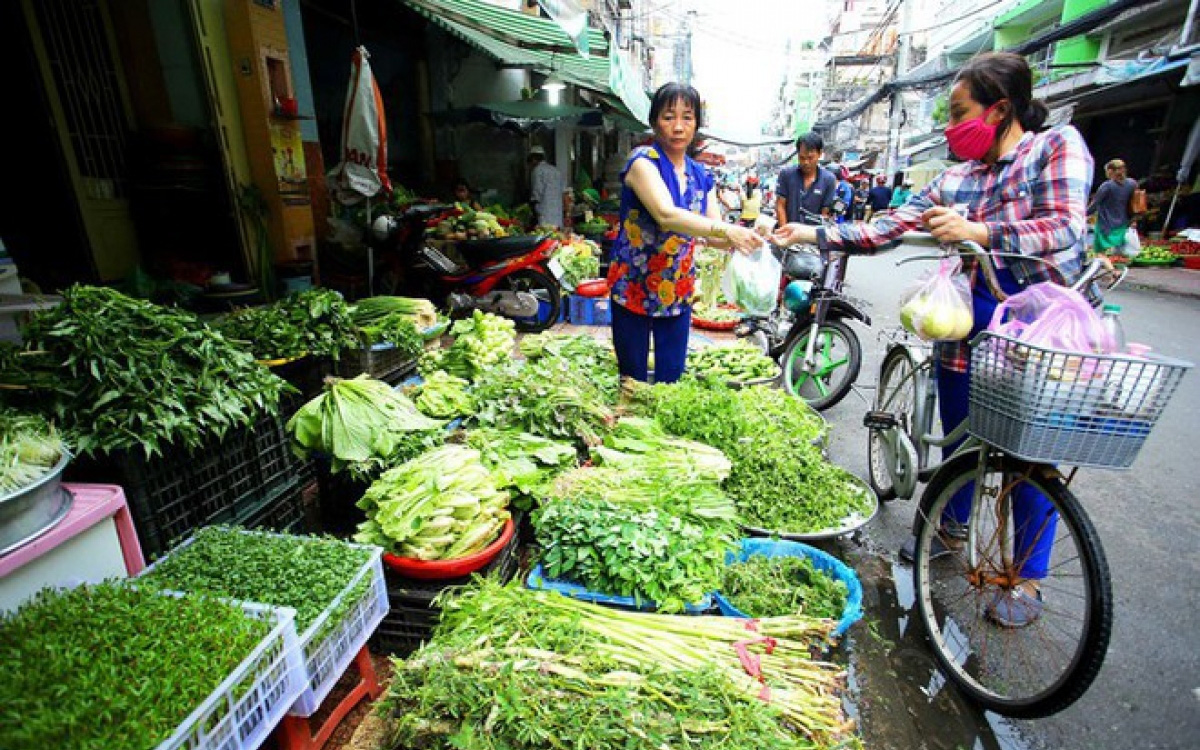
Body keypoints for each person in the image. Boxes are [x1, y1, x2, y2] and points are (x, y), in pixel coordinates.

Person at [772, 51, 1095, 629]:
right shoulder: (956, 178)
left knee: (1029, 461)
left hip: (1039, 331)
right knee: (962, 439)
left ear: (999, 110)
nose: (951, 126)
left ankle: (1025, 577)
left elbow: (1067, 224)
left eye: (960, 111)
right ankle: (950, 527)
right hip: (966, 325)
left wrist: (983, 230)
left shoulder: (1057, 147)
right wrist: (816, 232)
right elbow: (885, 228)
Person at [606, 82, 763, 384]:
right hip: (633, 288)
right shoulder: (642, 162)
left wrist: (752, 235)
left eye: (687, 117)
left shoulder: (701, 175)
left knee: (671, 380)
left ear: (697, 124)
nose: (678, 126)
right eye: (668, 117)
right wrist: (728, 231)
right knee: (632, 381)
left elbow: (715, 236)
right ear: (654, 121)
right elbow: (666, 216)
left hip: (676, 290)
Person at [776, 132, 838, 225]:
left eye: (810, 158)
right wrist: (784, 232)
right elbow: (780, 205)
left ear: (820, 153)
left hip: (812, 236)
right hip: (788, 234)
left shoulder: (829, 180)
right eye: (802, 157)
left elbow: (825, 214)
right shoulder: (786, 174)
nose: (806, 162)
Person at [1087, 159, 1137, 255]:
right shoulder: (1132, 184)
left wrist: (1082, 214)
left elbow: (1095, 204)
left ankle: (1112, 269)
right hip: (1123, 224)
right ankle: (1118, 267)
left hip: (1106, 225)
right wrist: (1134, 219)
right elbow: (1134, 202)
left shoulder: (1107, 186)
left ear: (1110, 171)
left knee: (1101, 253)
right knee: (1119, 252)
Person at [528, 146, 570, 229]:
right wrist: (567, 212)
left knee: (546, 235)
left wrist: (531, 211)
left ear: (533, 159)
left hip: (544, 213)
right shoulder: (556, 171)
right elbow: (565, 194)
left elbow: (536, 195)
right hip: (558, 213)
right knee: (557, 237)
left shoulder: (537, 171)